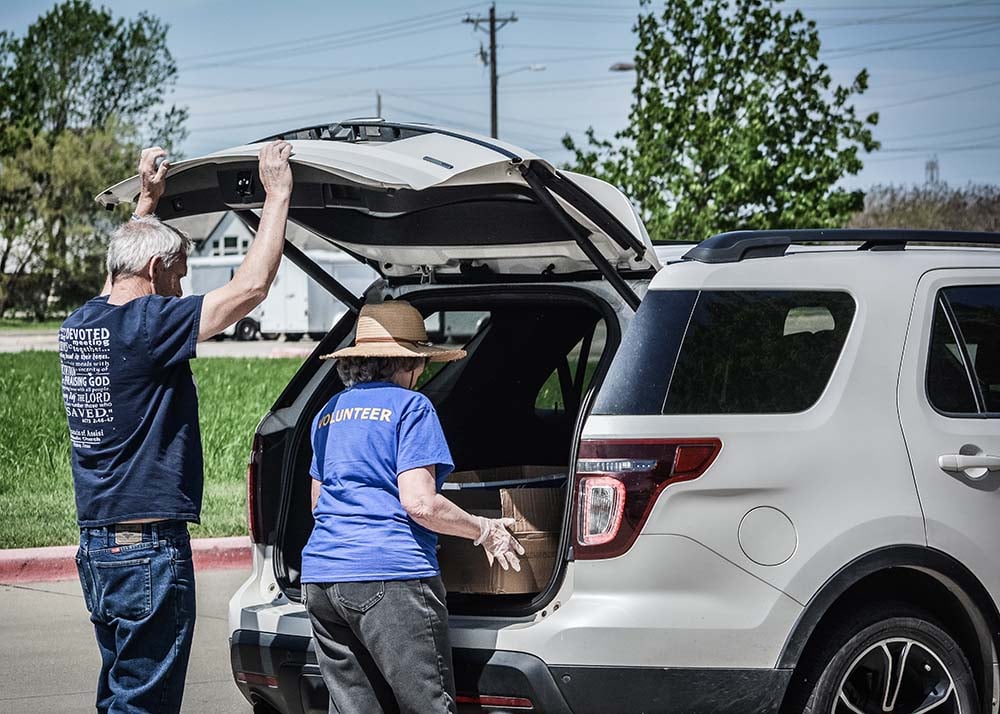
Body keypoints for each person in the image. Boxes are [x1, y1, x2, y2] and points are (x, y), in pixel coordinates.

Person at [59, 140, 294, 714]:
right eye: (179, 276)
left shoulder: (82, 322)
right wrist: (277, 194)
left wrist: (147, 204)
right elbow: (251, 288)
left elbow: (125, 264)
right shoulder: (149, 325)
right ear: (157, 268)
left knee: (123, 695)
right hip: (146, 553)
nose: (182, 291)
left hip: (99, 550)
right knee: (144, 706)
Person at [302, 300, 525, 714]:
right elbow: (420, 503)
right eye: (420, 363)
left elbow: (319, 504)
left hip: (322, 581)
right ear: (407, 364)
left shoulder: (326, 413)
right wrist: (484, 529)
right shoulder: (412, 407)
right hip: (391, 577)